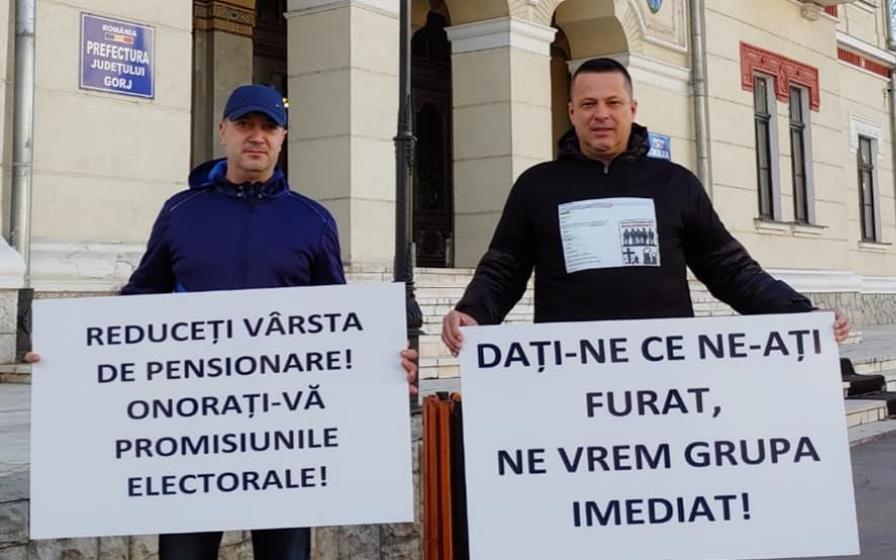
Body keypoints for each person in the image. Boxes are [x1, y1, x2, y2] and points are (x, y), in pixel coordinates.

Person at [27, 84, 418, 560]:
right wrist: (68, 354)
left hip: (286, 430)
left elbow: (339, 321)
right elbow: (139, 300)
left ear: (283, 137)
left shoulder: (312, 220)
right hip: (192, 431)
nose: (257, 136)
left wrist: (383, 363)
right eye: (245, 124)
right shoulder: (181, 212)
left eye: (269, 126)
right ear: (223, 131)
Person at [441, 58, 849, 355]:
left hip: (664, 368)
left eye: (613, 102)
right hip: (569, 369)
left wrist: (800, 313)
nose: (601, 114)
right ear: (571, 112)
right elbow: (503, 270)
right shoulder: (537, 186)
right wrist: (473, 313)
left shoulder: (675, 184)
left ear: (632, 109)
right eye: (588, 104)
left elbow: (731, 271)